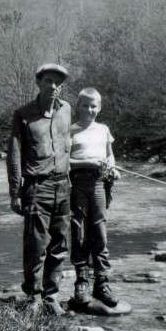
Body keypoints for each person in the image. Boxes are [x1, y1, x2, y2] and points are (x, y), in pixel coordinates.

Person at [6, 63, 71, 315]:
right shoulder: (23, 114)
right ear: (39, 83)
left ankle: (51, 296)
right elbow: (14, 155)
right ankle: (33, 296)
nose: (53, 86)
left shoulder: (66, 110)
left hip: (63, 186)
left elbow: (69, 145)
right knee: (36, 245)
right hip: (36, 187)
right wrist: (15, 192)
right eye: (48, 81)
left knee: (60, 244)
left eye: (57, 82)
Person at [69, 87, 120, 308]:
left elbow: (109, 155)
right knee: (79, 229)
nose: (89, 109)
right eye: (85, 105)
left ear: (99, 108)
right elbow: (63, 162)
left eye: (94, 106)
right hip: (76, 183)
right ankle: (81, 282)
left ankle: (102, 283)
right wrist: (86, 163)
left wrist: (113, 168)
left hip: (100, 183)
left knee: (99, 230)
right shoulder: (70, 131)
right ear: (77, 106)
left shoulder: (103, 129)